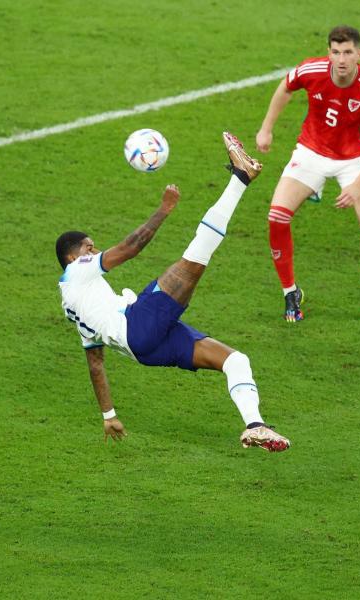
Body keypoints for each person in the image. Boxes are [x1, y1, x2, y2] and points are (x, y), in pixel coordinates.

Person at [55, 132, 290, 451]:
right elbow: (128, 249)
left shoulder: (76, 305)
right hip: (138, 326)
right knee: (195, 258)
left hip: (145, 349)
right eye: (88, 246)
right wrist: (164, 210)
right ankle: (241, 177)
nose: (94, 250)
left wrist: (109, 415)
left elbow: (95, 363)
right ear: (72, 257)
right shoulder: (76, 271)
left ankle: (255, 425)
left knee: (235, 360)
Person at [255, 25, 360, 322]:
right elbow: (285, 88)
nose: (340, 59)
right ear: (328, 52)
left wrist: (357, 184)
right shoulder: (312, 70)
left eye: (347, 53)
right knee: (276, 216)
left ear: (359, 54)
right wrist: (266, 128)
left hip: (356, 158)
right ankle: (290, 292)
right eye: (335, 52)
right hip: (312, 151)